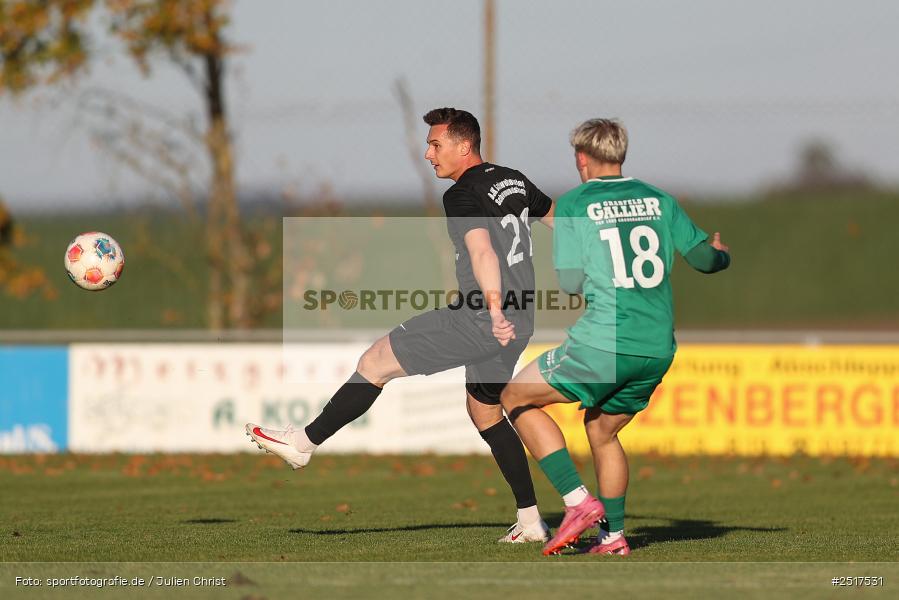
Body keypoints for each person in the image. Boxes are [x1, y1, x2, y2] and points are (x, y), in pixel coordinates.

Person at [247, 107, 556, 543]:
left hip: (482, 316)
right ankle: (530, 521)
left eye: (436, 144)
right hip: (520, 317)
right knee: (485, 410)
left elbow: (483, 253)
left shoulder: (462, 194)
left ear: (464, 146)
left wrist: (493, 308)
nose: (428, 154)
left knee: (375, 362)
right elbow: (557, 218)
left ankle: (303, 443)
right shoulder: (513, 180)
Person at [500, 118, 731, 556]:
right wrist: (723, 256)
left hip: (605, 341)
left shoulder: (574, 204)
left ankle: (577, 501)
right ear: (620, 154)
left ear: (581, 158)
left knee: (514, 397)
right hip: (657, 347)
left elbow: (570, 282)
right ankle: (613, 537)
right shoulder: (660, 200)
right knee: (602, 430)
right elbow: (704, 259)